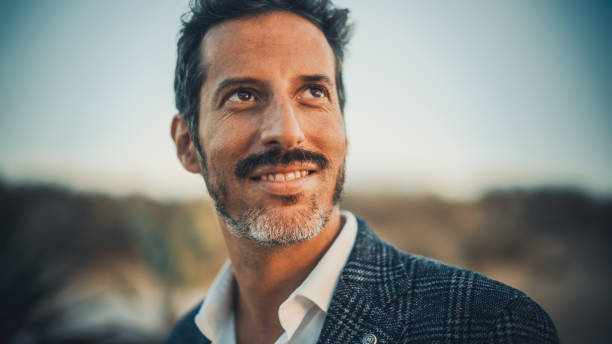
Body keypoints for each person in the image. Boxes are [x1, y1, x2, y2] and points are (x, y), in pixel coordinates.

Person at [166, 0, 559, 343]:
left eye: (314, 92)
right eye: (243, 95)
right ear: (187, 145)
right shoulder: (184, 337)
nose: (288, 133)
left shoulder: (491, 326)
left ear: (343, 129)